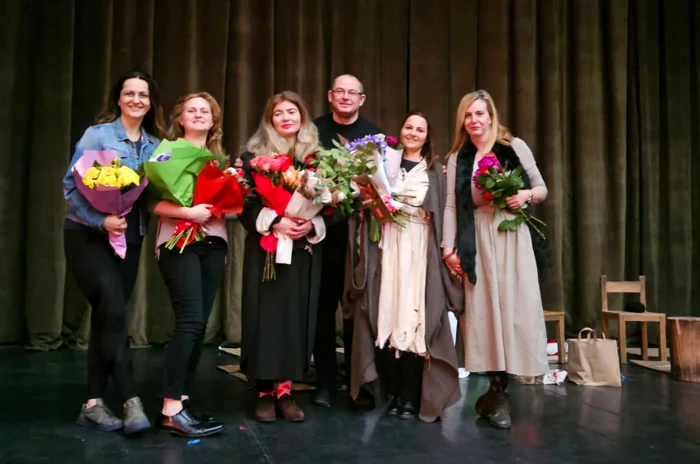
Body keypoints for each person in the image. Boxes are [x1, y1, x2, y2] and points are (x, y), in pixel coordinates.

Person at [62, 70, 166, 434]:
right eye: (129, 93)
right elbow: (71, 187)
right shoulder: (98, 135)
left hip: (129, 239)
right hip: (86, 236)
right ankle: (130, 400)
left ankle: (92, 404)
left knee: (110, 315)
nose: (137, 99)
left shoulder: (155, 146)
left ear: (151, 102)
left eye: (143, 94)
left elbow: (156, 194)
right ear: (118, 98)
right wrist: (99, 220)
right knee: (112, 309)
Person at [442, 89, 549, 429]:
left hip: (511, 233)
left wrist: (525, 195)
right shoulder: (458, 157)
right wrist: (448, 249)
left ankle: (500, 393)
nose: (474, 120)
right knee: (485, 312)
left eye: (479, 114)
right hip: (478, 236)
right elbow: (449, 206)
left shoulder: (513, 146)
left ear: (491, 116)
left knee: (513, 309)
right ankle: (495, 391)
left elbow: (541, 188)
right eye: (468, 115)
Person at [348, 111, 462, 422]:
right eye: (408, 127)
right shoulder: (385, 163)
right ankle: (394, 394)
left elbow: (443, 210)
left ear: (428, 135)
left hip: (419, 250)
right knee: (387, 313)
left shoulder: (435, 171)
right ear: (402, 130)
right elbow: (367, 201)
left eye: (420, 129)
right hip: (387, 247)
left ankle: (413, 397)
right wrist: (370, 205)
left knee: (416, 320)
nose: (413, 132)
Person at [239, 90, 326, 423]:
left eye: (292, 111)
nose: (286, 117)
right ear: (269, 120)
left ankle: (286, 391)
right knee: (265, 318)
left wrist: (311, 222)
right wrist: (276, 220)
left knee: (294, 317)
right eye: (278, 113)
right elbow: (245, 203)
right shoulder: (252, 158)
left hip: (302, 249)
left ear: (302, 117)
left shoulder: (319, 160)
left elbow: (334, 206)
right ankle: (263, 392)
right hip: (265, 248)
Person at [152, 92, 229, 438]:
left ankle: (181, 399)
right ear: (180, 119)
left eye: (205, 111)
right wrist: (187, 213)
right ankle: (170, 410)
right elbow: (150, 202)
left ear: (213, 121)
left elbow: (229, 205)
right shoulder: (165, 152)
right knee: (190, 321)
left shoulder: (218, 159)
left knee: (199, 326)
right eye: (191, 111)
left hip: (212, 244)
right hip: (177, 242)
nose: (199, 115)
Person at [311, 74, 382, 408]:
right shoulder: (312, 131)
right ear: (329, 95)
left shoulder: (374, 135)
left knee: (357, 312)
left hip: (358, 240)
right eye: (339, 91)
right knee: (323, 311)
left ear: (361, 99)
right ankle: (324, 381)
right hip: (321, 234)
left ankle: (358, 383)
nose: (345, 96)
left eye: (352, 92)